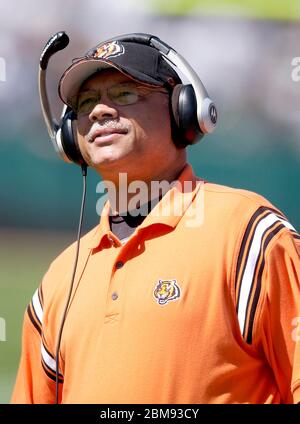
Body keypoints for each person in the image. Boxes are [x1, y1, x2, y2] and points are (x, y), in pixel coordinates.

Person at [11, 34, 300, 404]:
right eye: (85, 103)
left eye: (125, 94)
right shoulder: (59, 279)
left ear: (183, 111)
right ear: (71, 136)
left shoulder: (251, 234)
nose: (99, 111)